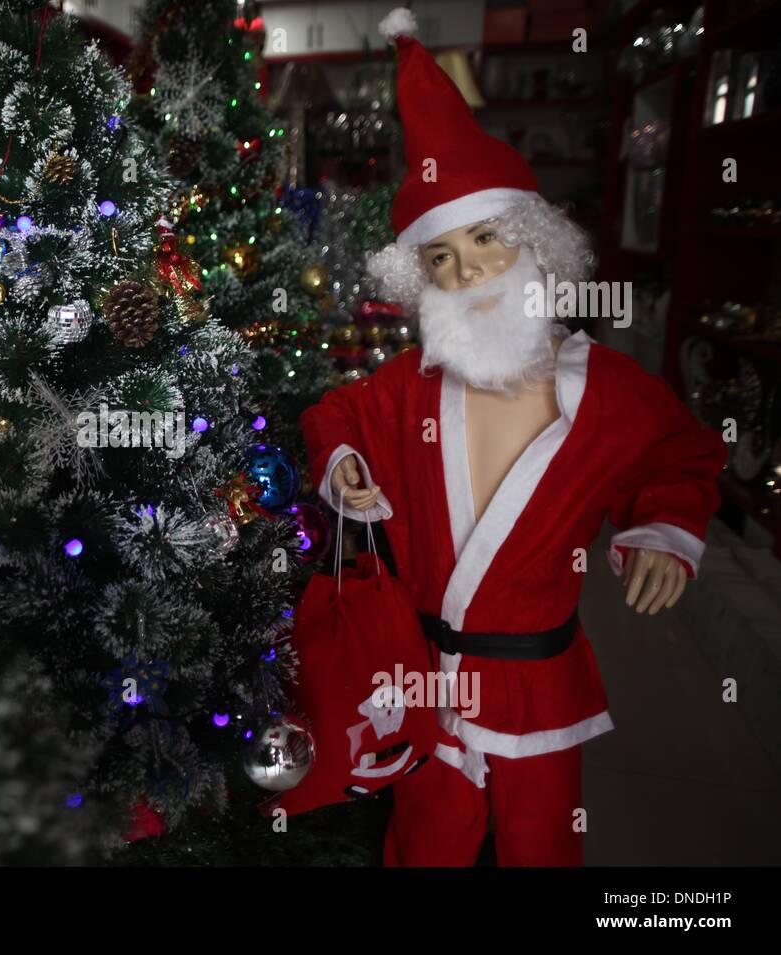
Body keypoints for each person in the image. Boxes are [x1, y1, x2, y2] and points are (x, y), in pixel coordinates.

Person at [300, 9, 728, 866]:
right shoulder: (408, 385)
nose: (467, 275)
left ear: (532, 244)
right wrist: (344, 464)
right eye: (441, 260)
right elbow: (333, 413)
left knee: (543, 843)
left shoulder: (605, 390)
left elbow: (679, 452)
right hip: (423, 672)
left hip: (538, 679)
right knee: (426, 843)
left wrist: (661, 530)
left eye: (485, 241)